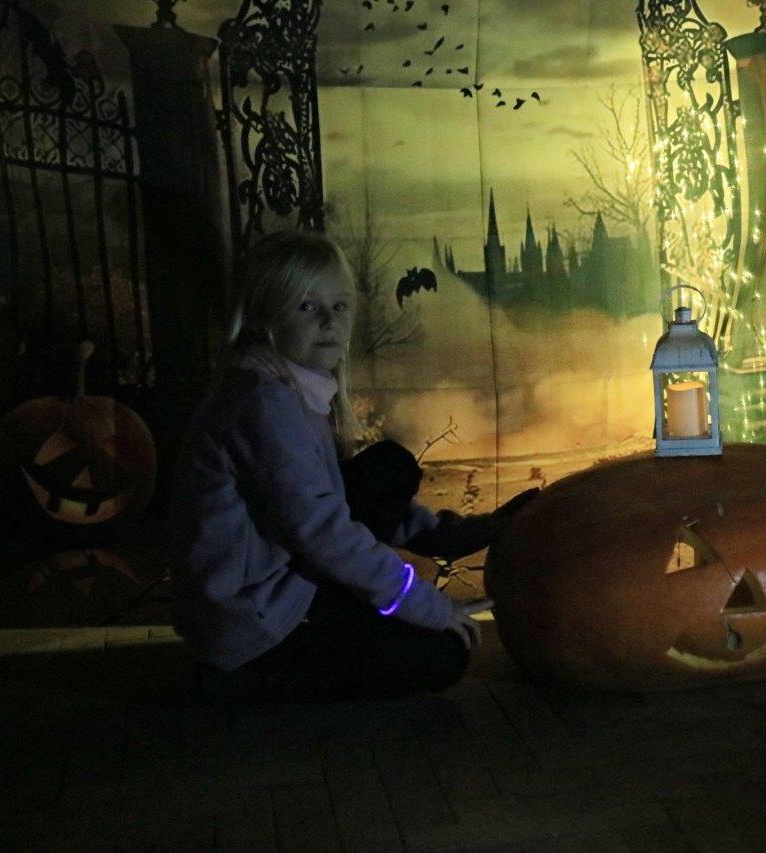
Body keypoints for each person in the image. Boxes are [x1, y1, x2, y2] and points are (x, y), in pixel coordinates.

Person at [166, 229, 533, 702]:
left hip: (284, 589)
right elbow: (323, 530)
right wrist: (425, 605)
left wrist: (447, 533)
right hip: (255, 623)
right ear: (264, 315)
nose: (329, 322)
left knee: (388, 467)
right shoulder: (264, 403)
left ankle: (408, 564)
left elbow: (335, 497)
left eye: (339, 307)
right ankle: (247, 680)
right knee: (442, 654)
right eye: (306, 306)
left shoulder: (288, 387)